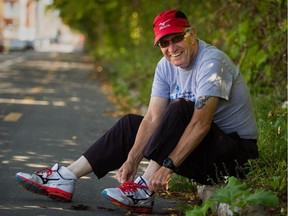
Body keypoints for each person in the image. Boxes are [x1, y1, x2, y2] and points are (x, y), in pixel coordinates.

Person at [16, 9, 258, 214]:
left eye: (176, 38)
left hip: (233, 157)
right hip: (202, 151)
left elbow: (200, 124)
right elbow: (153, 117)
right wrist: (132, 158)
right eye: (164, 42)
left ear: (191, 34)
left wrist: (165, 168)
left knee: (182, 108)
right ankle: (66, 177)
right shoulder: (165, 66)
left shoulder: (211, 63)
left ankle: (144, 189)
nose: (171, 47)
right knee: (133, 123)